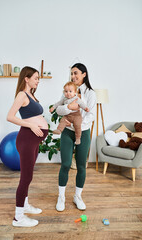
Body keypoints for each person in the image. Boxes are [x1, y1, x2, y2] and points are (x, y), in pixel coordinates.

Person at [7, 66, 48, 227]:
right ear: (26, 78)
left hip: (34, 141)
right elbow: (10, 116)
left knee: (28, 176)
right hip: (26, 140)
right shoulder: (22, 95)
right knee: (26, 178)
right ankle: (18, 218)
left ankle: (24, 206)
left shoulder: (31, 95)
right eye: (36, 78)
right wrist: (30, 126)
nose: (38, 81)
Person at [55, 63, 96, 212]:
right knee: (65, 164)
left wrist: (77, 125)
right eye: (71, 74)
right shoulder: (68, 90)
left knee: (81, 166)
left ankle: (77, 197)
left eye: (76, 73)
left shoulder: (91, 93)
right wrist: (68, 108)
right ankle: (61, 197)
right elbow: (59, 109)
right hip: (67, 131)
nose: (73, 76)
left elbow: (91, 114)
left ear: (84, 74)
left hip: (83, 132)